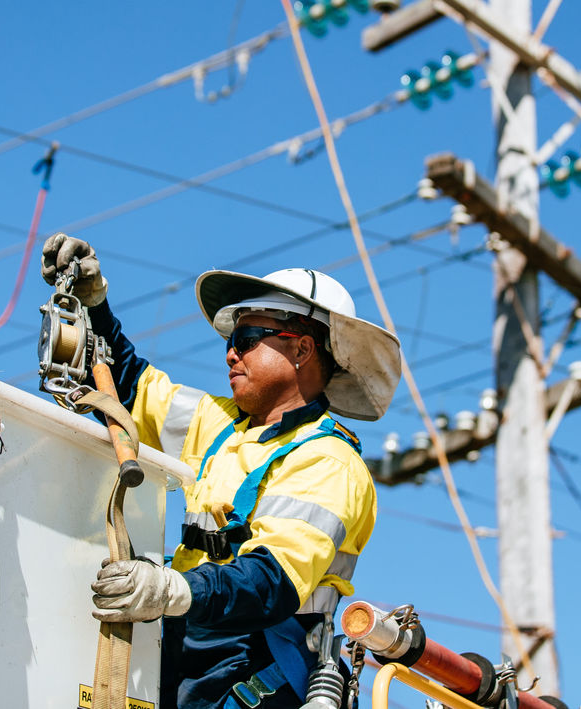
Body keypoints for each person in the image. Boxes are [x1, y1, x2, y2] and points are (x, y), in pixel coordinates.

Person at [41, 234, 402, 709]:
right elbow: (128, 387)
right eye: (232, 342)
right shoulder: (220, 423)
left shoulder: (330, 462)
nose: (231, 354)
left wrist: (171, 587)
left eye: (247, 340)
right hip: (187, 656)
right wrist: (94, 305)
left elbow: (270, 582)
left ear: (302, 349)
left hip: (260, 674)